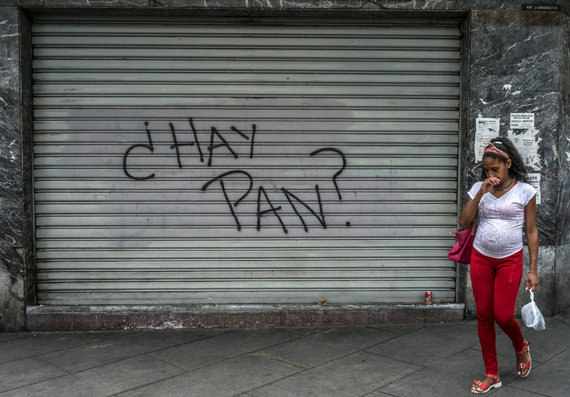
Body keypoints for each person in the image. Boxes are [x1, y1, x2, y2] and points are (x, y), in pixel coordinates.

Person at [459, 137, 539, 394]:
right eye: (487, 170)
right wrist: (481, 192)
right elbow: (464, 221)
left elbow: (531, 230)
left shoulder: (524, 191)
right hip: (481, 257)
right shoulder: (478, 189)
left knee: (502, 315)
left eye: (496, 169)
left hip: (510, 260)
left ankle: (520, 345)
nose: (491, 174)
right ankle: (492, 373)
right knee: (484, 314)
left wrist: (533, 269)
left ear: (508, 164)